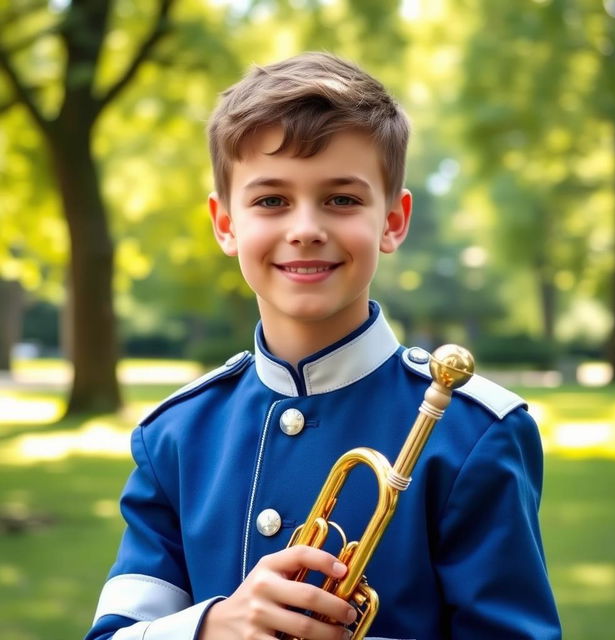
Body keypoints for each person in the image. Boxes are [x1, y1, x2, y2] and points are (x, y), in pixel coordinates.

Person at [85, 52, 561, 640]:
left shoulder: (475, 433)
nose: (305, 227)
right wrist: (213, 628)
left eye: (341, 199)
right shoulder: (174, 436)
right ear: (226, 224)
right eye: (270, 200)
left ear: (393, 220)